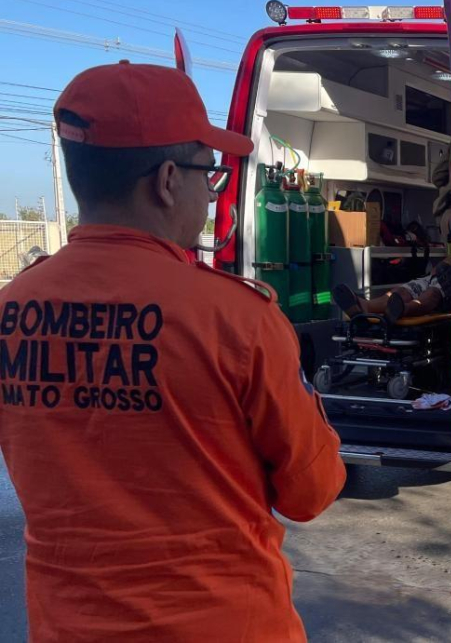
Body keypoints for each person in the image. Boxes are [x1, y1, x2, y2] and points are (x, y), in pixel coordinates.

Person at [0, 62, 345, 642]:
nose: (210, 196)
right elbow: (313, 491)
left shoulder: (11, 311)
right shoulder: (239, 318)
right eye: (207, 176)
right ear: (165, 181)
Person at [332, 142, 451, 323]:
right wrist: (443, 267)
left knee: (430, 294)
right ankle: (367, 306)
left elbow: (438, 175)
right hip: (450, 273)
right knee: (407, 289)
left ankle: (401, 309)